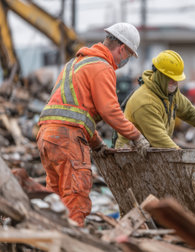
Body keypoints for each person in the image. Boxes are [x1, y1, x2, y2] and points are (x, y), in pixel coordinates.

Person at [37, 22, 150, 226]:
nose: (125, 61)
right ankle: (72, 244)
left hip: (47, 136)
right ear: (122, 48)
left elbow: (76, 113)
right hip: (67, 139)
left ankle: (51, 242)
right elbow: (110, 111)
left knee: (54, 199)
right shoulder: (102, 67)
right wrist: (136, 137)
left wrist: (97, 144)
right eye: (127, 55)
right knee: (75, 197)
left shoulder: (74, 64)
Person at [114, 50, 195, 149]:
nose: (174, 82)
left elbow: (188, 111)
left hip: (151, 151)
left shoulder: (170, 93)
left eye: (176, 79)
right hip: (129, 156)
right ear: (160, 75)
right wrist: (182, 158)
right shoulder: (145, 102)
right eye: (171, 78)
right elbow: (160, 140)